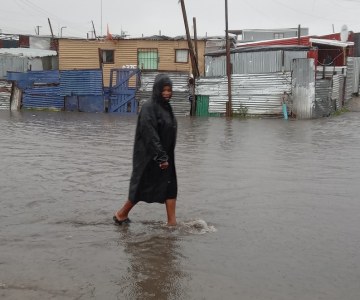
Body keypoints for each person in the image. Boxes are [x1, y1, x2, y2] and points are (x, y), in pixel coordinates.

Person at [113, 74, 178, 226]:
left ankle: (172, 224)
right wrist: (161, 157)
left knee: (171, 187)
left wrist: (166, 156)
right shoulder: (149, 107)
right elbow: (150, 133)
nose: (167, 93)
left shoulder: (167, 107)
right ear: (157, 90)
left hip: (166, 157)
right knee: (141, 187)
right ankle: (121, 215)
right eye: (164, 90)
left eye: (169, 90)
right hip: (149, 157)